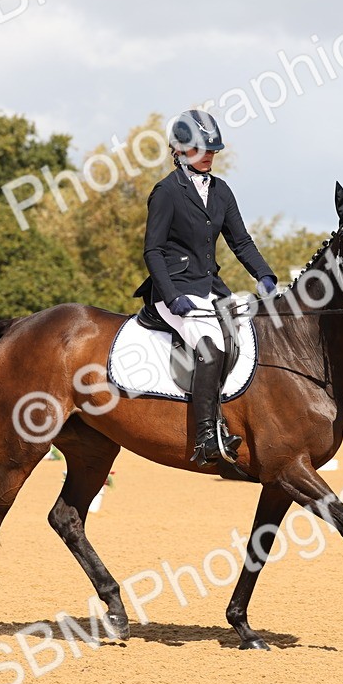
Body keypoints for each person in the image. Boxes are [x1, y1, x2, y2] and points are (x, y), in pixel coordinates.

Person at [133, 109, 278, 466]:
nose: (210, 155)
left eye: (213, 150)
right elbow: (152, 250)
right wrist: (171, 296)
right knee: (210, 348)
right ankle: (206, 437)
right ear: (180, 151)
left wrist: (264, 274)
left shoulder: (221, 191)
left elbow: (241, 242)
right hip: (175, 290)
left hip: (209, 287)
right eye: (202, 149)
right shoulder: (167, 192)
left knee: (243, 339)